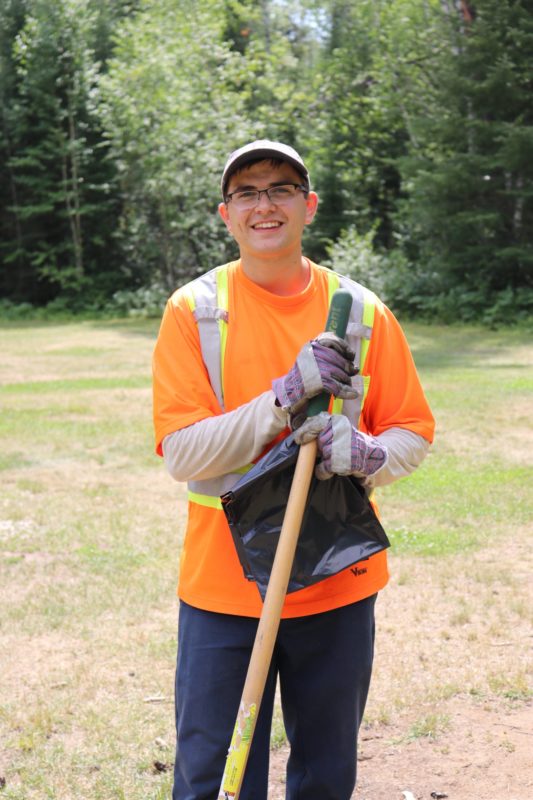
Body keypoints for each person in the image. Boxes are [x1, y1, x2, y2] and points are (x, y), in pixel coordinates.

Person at [152, 140, 435, 800]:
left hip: (336, 581)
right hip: (223, 589)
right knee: (210, 778)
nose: (263, 205)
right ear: (225, 215)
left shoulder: (362, 313)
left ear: (308, 206)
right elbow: (184, 453)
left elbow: (412, 433)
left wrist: (366, 456)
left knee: (325, 776)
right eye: (245, 193)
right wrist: (281, 399)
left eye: (279, 189)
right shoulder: (194, 313)